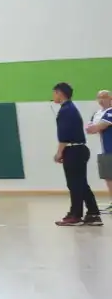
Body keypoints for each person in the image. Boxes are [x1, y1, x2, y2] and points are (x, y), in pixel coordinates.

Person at [53, 82, 99, 226]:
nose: (53, 96)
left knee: (74, 184)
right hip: (78, 150)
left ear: (60, 93)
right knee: (81, 183)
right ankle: (93, 213)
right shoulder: (71, 109)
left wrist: (59, 152)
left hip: (73, 150)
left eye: (54, 93)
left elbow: (64, 136)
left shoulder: (66, 110)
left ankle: (75, 214)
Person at [86, 89, 112, 216]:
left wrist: (95, 127)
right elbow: (89, 129)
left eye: (105, 97)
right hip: (102, 150)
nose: (102, 100)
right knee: (107, 177)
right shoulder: (97, 113)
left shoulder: (110, 112)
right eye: (99, 97)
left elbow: (98, 127)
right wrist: (94, 128)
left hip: (110, 149)